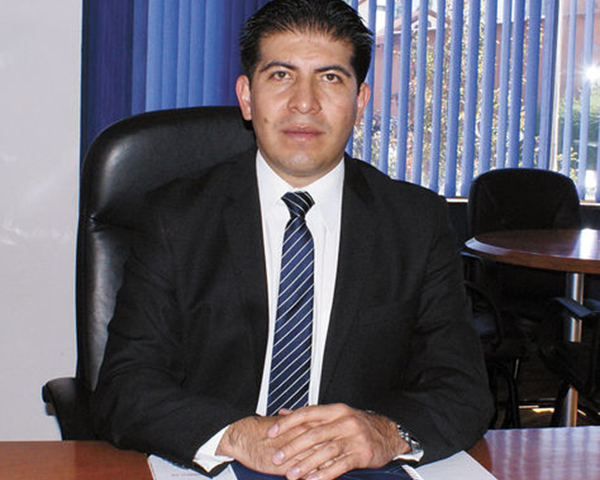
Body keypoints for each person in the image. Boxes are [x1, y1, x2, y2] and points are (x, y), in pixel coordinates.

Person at [92, 1, 493, 479]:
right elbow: (124, 387)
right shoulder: (175, 218)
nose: (305, 103)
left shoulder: (415, 223)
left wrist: (385, 433)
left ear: (360, 102)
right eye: (281, 75)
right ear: (247, 97)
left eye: (331, 78)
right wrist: (237, 434)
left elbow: (463, 389)